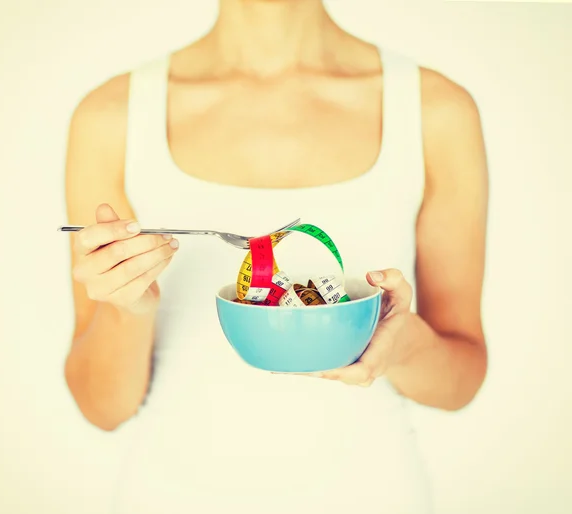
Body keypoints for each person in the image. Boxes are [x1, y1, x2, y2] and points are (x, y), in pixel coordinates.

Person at [63, 0, 488, 512]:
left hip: (372, 493)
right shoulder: (111, 117)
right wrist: (127, 306)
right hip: (170, 495)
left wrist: (399, 343)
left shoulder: (435, 110)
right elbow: (101, 407)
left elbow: (461, 383)